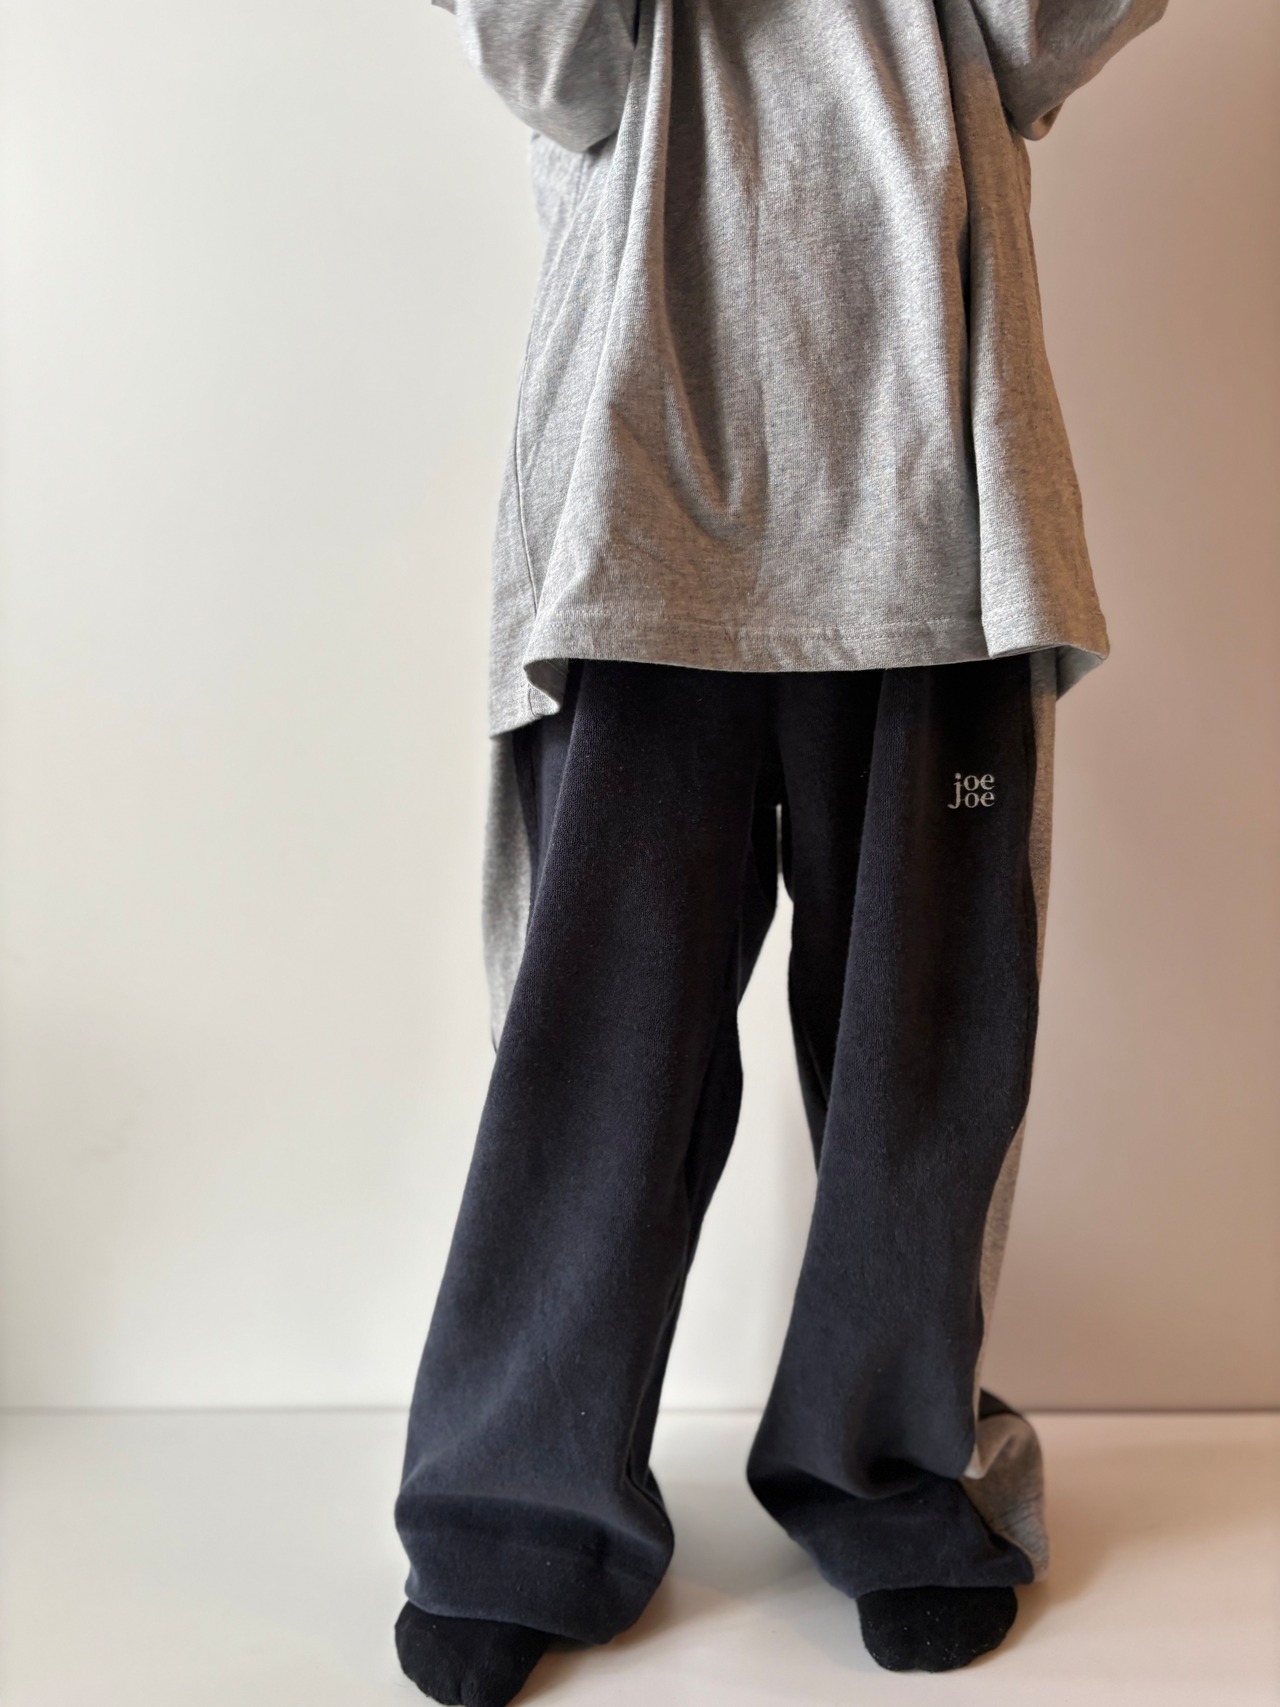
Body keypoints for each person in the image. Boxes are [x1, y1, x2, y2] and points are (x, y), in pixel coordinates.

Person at [394, 1, 1167, 1700]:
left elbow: (1043, 39)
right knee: (594, 1064)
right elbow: (558, 70)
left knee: (926, 1065)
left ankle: (894, 1478)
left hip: (936, 501)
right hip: (639, 509)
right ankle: (515, 1513)